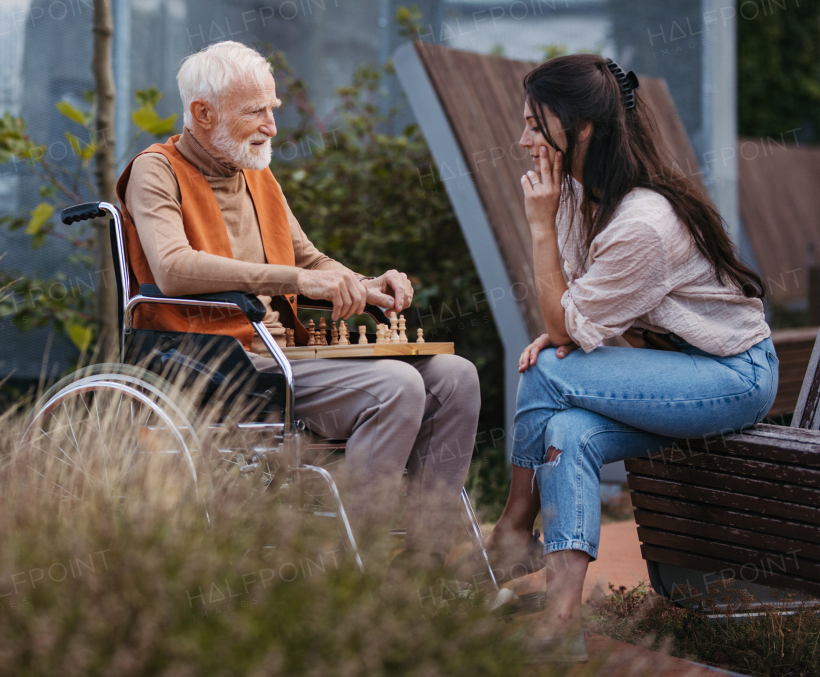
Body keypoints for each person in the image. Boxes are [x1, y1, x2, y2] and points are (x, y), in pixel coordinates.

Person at [116, 40, 480, 551]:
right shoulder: (156, 170)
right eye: (256, 112)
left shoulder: (257, 175)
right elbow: (173, 270)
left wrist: (367, 286)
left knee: (456, 377)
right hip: (221, 360)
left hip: (287, 356)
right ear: (202, 113)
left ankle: (431, 558)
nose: (272, 127)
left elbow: (309, 262)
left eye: (273, 110)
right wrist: (296, 282)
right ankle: (362, 568)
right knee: (396, 384)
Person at [483, 54, 776, 660]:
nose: (523, 139)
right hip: (678, 372)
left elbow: (562, 320)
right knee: (568, 431)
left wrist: (539, 232)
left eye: (536, 124)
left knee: (545, 368)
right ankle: (563, 625)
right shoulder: (579, 195)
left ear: (582, 127)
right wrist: (562, 332)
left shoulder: (643, 220)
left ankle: (513, 529)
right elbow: (568, 317)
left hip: (731, 377)